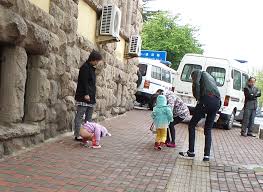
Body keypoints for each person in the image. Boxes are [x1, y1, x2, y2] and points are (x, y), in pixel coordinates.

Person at [179, 70, 221, 161]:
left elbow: (196, 85)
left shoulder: (197, 74)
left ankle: (191, 152)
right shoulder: (210, 77)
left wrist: (198, 98)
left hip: (206, 100)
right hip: (217, 102)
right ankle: (207, 155)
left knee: (192, 125)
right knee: (208, 129)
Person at [74, 50, 103, 141]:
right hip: (84, 96)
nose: (97, 63)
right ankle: (78, 134)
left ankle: (86, 134)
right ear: (93, 59)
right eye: (97, 61)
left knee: (89, 117)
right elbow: (84, 82)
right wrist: (86, 94)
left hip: (91, 96)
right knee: (80, 115)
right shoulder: (85, 67)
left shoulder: (91, 68)